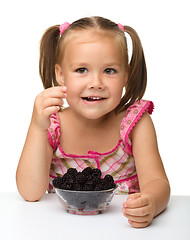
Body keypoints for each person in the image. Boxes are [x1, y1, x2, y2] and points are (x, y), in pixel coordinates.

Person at [16, 16, 170, 228]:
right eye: (81, 70)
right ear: (61, 75)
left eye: (109, 70)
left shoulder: (135, 123)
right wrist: (37, 127)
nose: (96, 83)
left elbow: (157, 182)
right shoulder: (51, 124)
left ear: (126, 75)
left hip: (121, 229)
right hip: (59, 229)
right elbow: (30, 193)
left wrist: (151, 203)